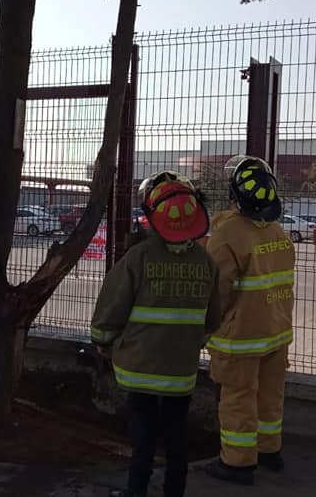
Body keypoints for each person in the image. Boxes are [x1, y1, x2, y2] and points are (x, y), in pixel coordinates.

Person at [91, 171, 222, 497]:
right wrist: (194, 341)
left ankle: (136, 492)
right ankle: (173, 492)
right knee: (177, 439)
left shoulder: (139, 257)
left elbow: (111, 307)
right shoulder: (205, 262)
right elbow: (215, 315)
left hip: (139, 370)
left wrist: (103, 341)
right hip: (180, 372)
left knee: (143, 441)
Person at [203, 155, 295, 486]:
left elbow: (217, 291)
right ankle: (270, 451)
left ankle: (238, 463)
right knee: (270, 396)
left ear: (234, 193)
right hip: (276, 332)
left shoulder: (227, 234)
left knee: (238, 398)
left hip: (240, 337)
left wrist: (205, 328)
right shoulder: (278, 232)